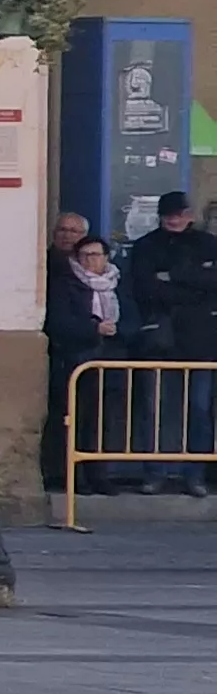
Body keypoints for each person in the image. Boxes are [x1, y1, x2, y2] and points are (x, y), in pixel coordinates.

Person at [122, 192, 217, 494]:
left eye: (179, 214)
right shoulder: (146, 246)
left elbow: (212, 283)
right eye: (168, 215)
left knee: (199, 409)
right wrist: (192, 283)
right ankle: (155, 472)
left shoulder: (208, 244)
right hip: (160, 338)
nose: (174, 220)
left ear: (190, 215)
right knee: (156, 408)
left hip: (201, 340)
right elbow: (145, 289)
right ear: (160, 217)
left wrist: (172, 276)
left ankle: (195, 475)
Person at [47, 233, 126, 491]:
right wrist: (94, 330)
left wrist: (119, 330)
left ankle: (100, 474)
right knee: (75, 417)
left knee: (105, 419)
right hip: (76, 359)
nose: (90, 261)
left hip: (112, 358)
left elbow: (133, 314)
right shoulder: (65, 284)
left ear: (106, 257)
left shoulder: (119, 283)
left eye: (96, 255)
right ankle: (72, 475)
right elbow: (58, 321)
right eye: (85, 256)